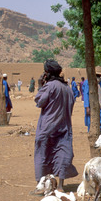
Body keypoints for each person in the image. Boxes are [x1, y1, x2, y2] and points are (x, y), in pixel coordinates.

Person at [33, 60, 78, 192]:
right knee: (62, 152)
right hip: (64, 126)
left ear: (46, 73)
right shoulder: (67, 88)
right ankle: (60, 186)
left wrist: (40, 85)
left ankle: (41, 186)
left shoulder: (50, 86)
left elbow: (39, 101)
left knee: (43, 152)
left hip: (47, 126)